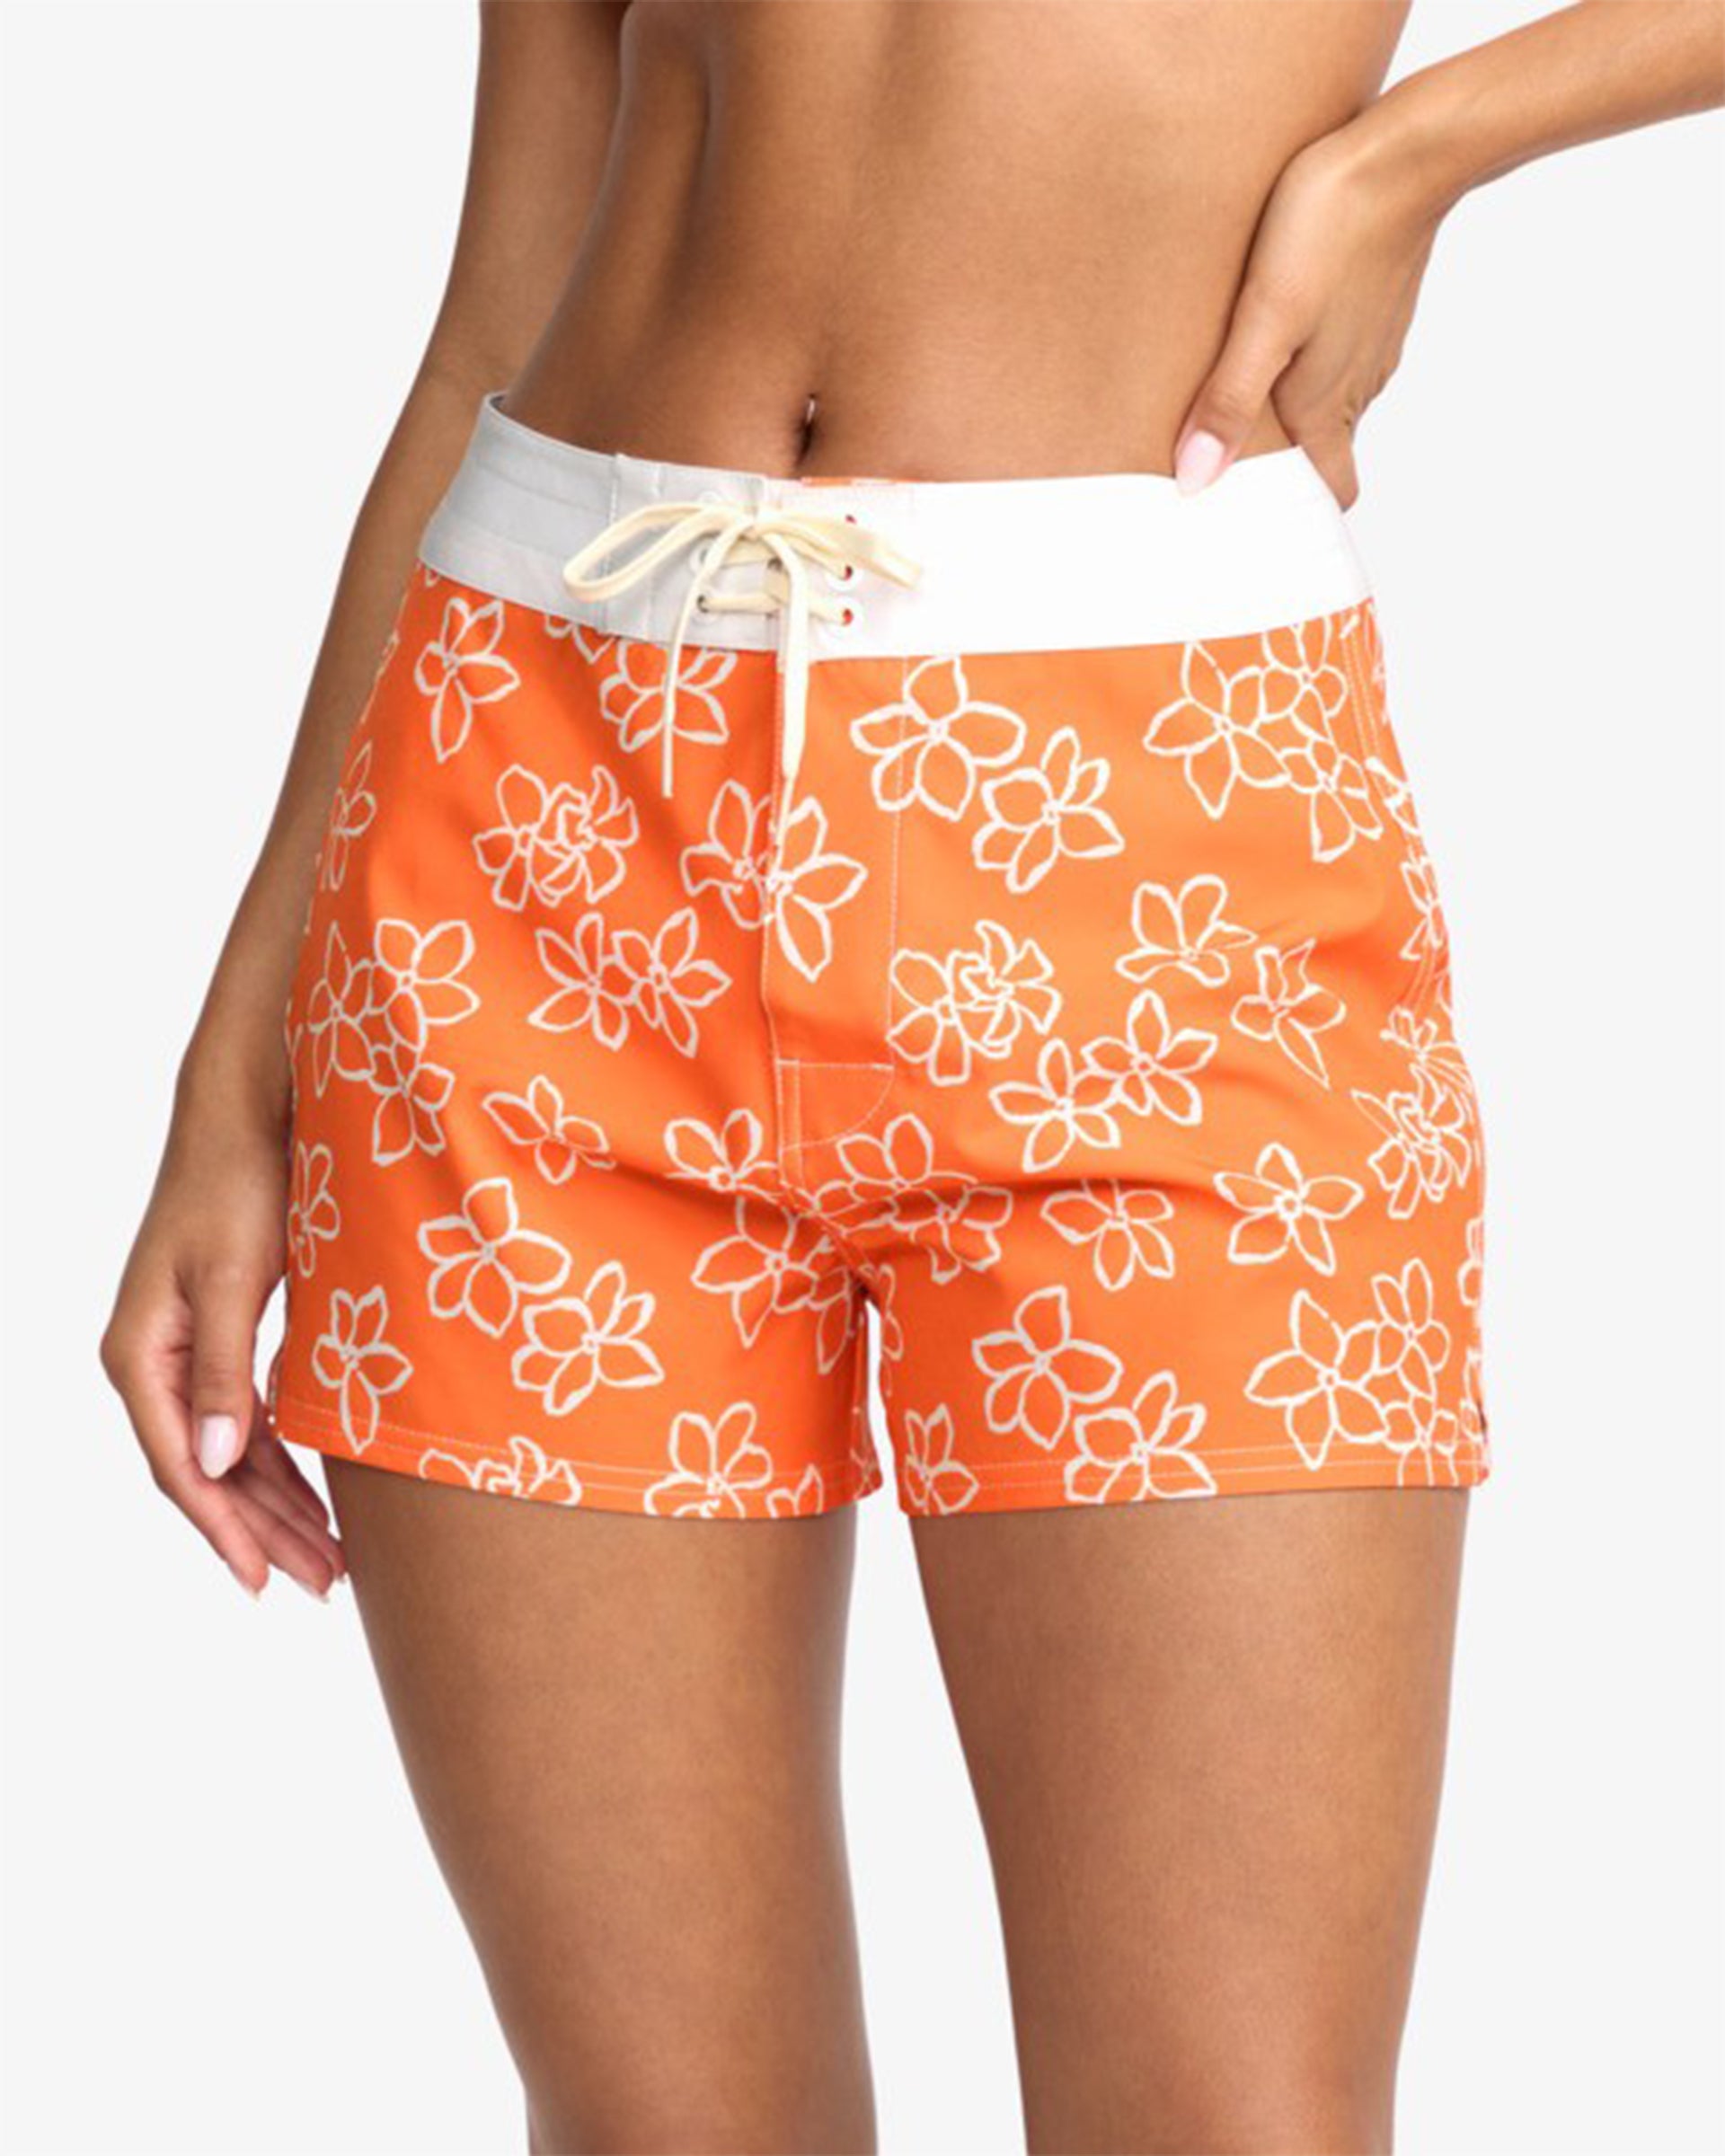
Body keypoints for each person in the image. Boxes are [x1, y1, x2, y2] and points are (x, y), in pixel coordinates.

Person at [101, 4, 1723, 2150]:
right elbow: (492, 312)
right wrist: (241, 1057)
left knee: (1228, 2123)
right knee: (665, 2130)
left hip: (1150, 833)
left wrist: (1421, 150)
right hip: (532, 805)